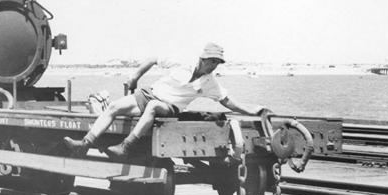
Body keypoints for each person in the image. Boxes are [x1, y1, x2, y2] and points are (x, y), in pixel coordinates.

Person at [64, 42, 267, 158]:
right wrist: (134, 77)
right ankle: (84, 144)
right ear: (202, 58)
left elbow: (227, 101)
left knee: (153, 106)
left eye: (217, 63)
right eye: (212, 61)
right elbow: (153, 59)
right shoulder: (182, 61)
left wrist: (252, 111)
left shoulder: (210, 82)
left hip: (169, 107)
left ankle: (125, 147)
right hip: (149, 94)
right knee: (115, 106)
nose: (214, 66)